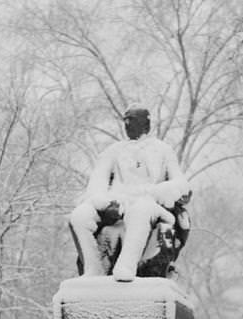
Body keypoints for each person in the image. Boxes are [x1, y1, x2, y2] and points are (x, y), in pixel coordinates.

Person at [69, 107, 191, 282]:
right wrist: (104, 203)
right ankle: (93, 270)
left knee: (140, 210)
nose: (128, 124)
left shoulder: (163, 150)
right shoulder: (112, 152)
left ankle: (126, 267)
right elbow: (95, 186)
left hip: (151, 206)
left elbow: (181, 185)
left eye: (133, 120)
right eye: (125, 120)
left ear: (146, 124)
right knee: (79, 216)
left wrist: (159, 192)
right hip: (116, 205)